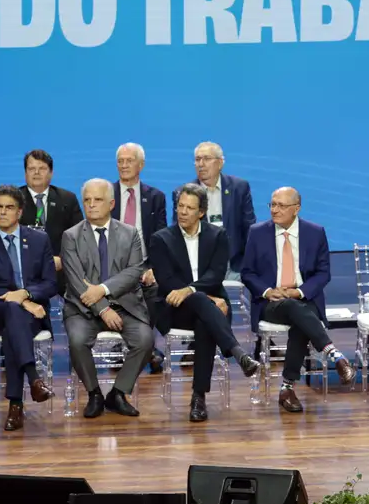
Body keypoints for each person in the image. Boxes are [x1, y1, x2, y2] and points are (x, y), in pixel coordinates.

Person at [148, 184, 260, 422]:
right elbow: (167, 281)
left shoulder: (217, 235)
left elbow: (216, 274)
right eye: (180, 206)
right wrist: (199, 295)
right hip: (174, 308)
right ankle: (236, 352)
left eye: (189, 208)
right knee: (202, 305)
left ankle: (198, 398)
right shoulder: (161, 239)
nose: (183, 212)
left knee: (204, 322)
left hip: (211, 307)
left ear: (201, 212)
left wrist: (192, 291)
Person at [242, 187, 353, 413]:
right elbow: (247, 273)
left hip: (303, 296)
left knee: (299, 317)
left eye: (281, 206)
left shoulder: (315, 232)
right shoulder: (257, 232)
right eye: (272, 204)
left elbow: (323, 273)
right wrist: (267, 291)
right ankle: (334, 354)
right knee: (298, 311)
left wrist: (299, 291)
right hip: (271, 302)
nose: (275, 210)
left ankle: (287, 389)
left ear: (296, 208)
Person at [61, 179, 152, 418]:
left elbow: (134, 272)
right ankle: (94, 394)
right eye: (87, 200)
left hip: (124, 304)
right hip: (82, 308)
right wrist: (102, 309)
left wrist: (102, 289)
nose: (91, 205)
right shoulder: (70, 236)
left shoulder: (130, 233)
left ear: (111, 204)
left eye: (98, 200)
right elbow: (76, 280)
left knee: (145, 340)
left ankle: (118, 393)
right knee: (77, 341)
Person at [0, 185, 59, 431]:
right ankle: (34, 379)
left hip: (30, 315)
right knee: (12, 311)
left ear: (19, 212)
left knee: (13, 327)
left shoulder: (39, 240)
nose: (2, 212)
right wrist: (23, 300)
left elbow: (50, 283)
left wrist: (27, 295)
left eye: (9, 207)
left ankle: (16, 405)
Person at [111, 143, 169, 373]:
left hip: (144, 263)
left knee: (154, 289)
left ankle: (139, 345)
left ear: (141, 165)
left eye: (129, 160)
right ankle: (141, 348)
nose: (124, 165)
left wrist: (154, 267)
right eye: (120, 161)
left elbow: (162, 237)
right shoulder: (106, 194)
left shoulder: (155, 197)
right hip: (112, 264)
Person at [173, 142, 256, 279]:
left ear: (220, 163)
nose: (201, 164)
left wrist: (248, 264)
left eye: (206, 159)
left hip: (234, 265)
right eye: (198, 159)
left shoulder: (239, 188)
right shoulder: (183, 192)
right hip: (200, 266)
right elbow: (179, 233)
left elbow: (249, 227)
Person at [18, 149, 84, 291]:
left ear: (51, 173)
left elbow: (80, 237)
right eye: (31, 169)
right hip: (22, 273)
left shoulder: (67, 199)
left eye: (42, 168)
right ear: (25, 173)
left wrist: (62, 259)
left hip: (61, 272)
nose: (36, 173)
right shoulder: (14, 200)